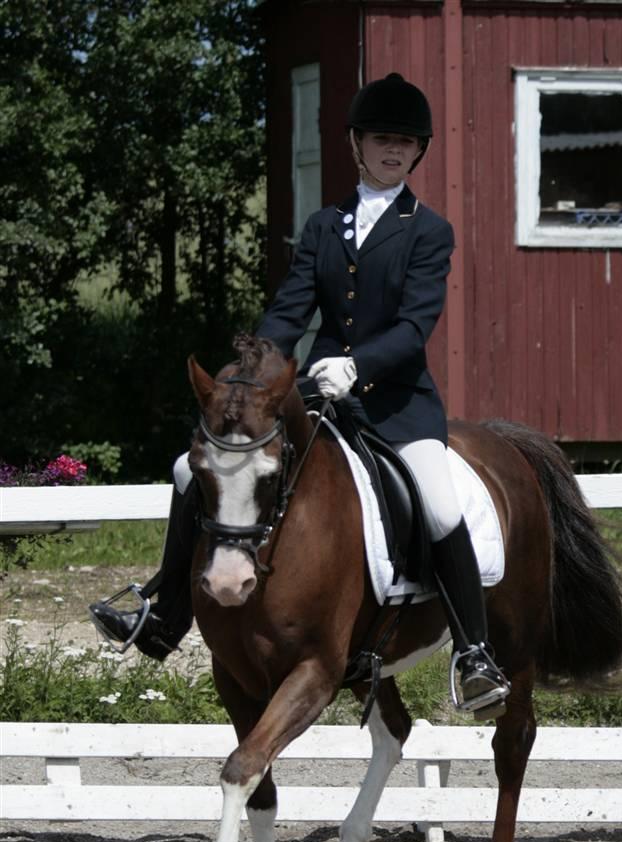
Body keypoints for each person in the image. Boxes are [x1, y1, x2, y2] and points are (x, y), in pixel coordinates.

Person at [89, 72, 510, 712]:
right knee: (187, 469)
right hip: (315, 397)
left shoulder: (429, 231)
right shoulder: (323, 226)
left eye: (404, 142)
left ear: (418, 151)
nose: (392, 151)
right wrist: (254, 377)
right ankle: (165, 612)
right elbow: (289, 314)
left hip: (397, 405)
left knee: (441, 506)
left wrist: (357, 365)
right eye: (381, 140)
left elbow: (414, 325)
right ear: (356, 144)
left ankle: (474, 654)